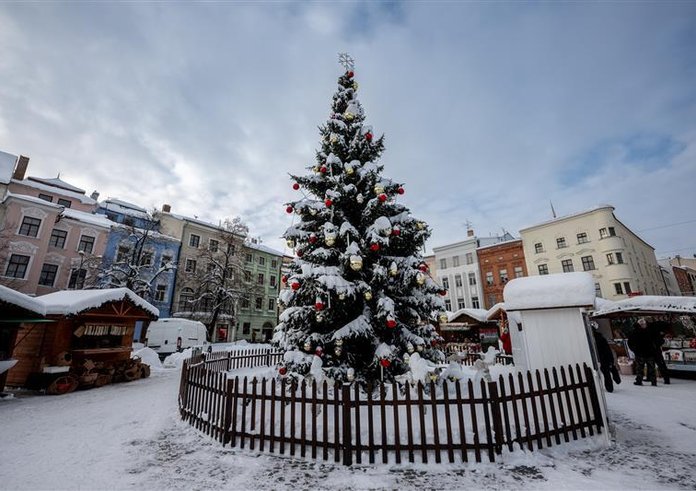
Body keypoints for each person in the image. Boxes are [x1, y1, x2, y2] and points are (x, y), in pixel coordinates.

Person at [592, 323, 621, 392]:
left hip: (602, 357)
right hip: (603, 357)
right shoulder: (600, 338)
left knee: (606, 372)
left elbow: (606, 349)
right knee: (607, 371)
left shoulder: (597, 339)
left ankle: (610, 387)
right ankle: (613, 382)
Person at [627, 318, 657, 386]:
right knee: (651, 368)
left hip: (641, 353)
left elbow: (630, 342)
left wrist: (635, 350)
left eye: (644, 324)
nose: (644, 325)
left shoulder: (634, 332)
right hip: (648, 353)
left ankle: (639, 380)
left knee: (640, 368)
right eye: (643, 324)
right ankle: (653, 381)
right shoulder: (649, 331)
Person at [649, 320, 670, 384]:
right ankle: (666, 379)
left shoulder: (650, 331)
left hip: (651, 350)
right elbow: (661, 341)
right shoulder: (658, 332)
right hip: (657, 350)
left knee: (651, 365)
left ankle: (652, 379)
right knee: (661, 364)